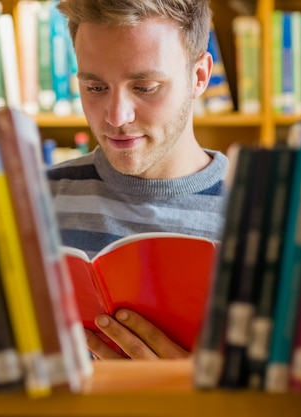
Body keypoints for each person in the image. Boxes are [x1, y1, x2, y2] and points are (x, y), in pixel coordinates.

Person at [49, 0, 229, 360]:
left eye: (145, 87)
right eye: (96, 88)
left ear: (199, 77)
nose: (116, 117)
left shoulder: (268, 214)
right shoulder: (35, 198)